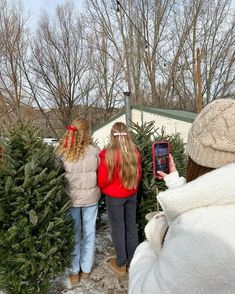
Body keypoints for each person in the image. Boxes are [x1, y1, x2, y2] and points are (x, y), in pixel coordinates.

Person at [129, 99, 235, 294]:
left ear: (196, 159)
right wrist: (175, 181)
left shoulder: (196, 232)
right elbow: (211, 193)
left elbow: (143, 290)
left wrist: (149, 246)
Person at [56, 118, 101, 288]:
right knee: (89, 233)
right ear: (87, 131)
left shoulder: (62, 151)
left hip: (71, 199)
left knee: (74, 235)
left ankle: (74, 272)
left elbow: (56, 174)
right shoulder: (95, 151)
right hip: (91, 198)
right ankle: (87, 269)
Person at [98, 122, 142, 277]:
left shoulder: (108, 154)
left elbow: (102, 180)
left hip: (115, 198)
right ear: (127, 135)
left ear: (112, 136)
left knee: (118, 229)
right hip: (131, 194)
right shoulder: (134, 152)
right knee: (131, 226)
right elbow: (139, 175)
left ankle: (121, 264)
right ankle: (133, 261)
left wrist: (106, 189)